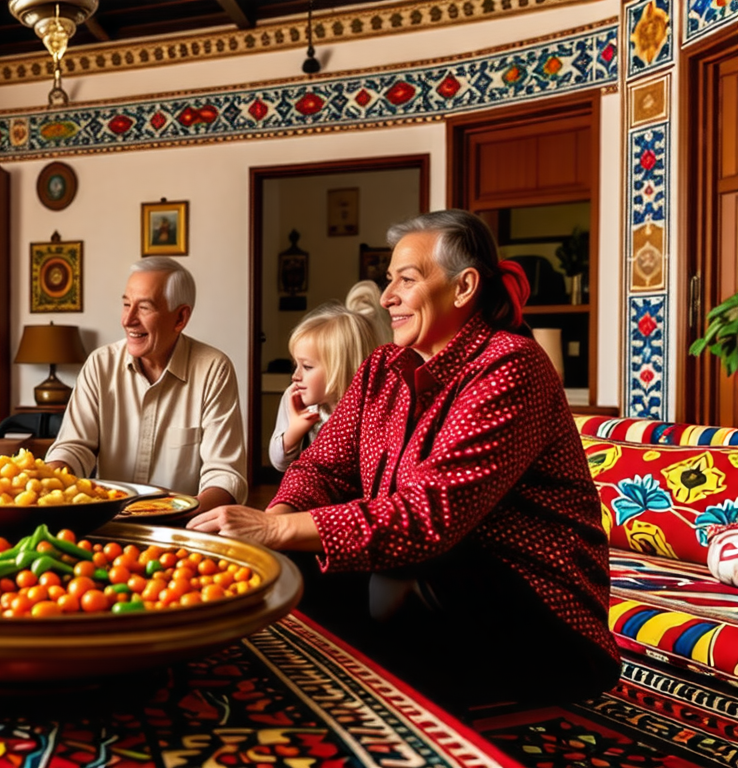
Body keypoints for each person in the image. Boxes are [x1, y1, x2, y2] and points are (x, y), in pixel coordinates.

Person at [190, 210, 619, 711]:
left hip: (545, 622)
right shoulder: (382, 367)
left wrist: (275, 532)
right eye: (388, 279)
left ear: (464, 288)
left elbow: (430, 515)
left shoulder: (511, 365)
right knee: (283, 565)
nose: (387, 296)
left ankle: (389, 697)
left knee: (401, 575)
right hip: (427, 587)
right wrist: (275, 523)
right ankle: (355, 688)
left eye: (406, 280)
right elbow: (321, 467)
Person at [46, 257, 247, 511]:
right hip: (110, 521)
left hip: (184, 527)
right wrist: (46, 480)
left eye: (144, 308)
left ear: (180, 318)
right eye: (126, 304)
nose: (128, 320)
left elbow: (224, 474)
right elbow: (75, 447)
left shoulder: (213, 370)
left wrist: (180, 519)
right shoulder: (100, 365)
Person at [269, 287, 384, 472]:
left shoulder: (372, 408)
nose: (295, 376)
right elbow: (279, 463)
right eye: (295, 365)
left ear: (340, 370)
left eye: (307, 367)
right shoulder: (294, 399)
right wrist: (293, 432)